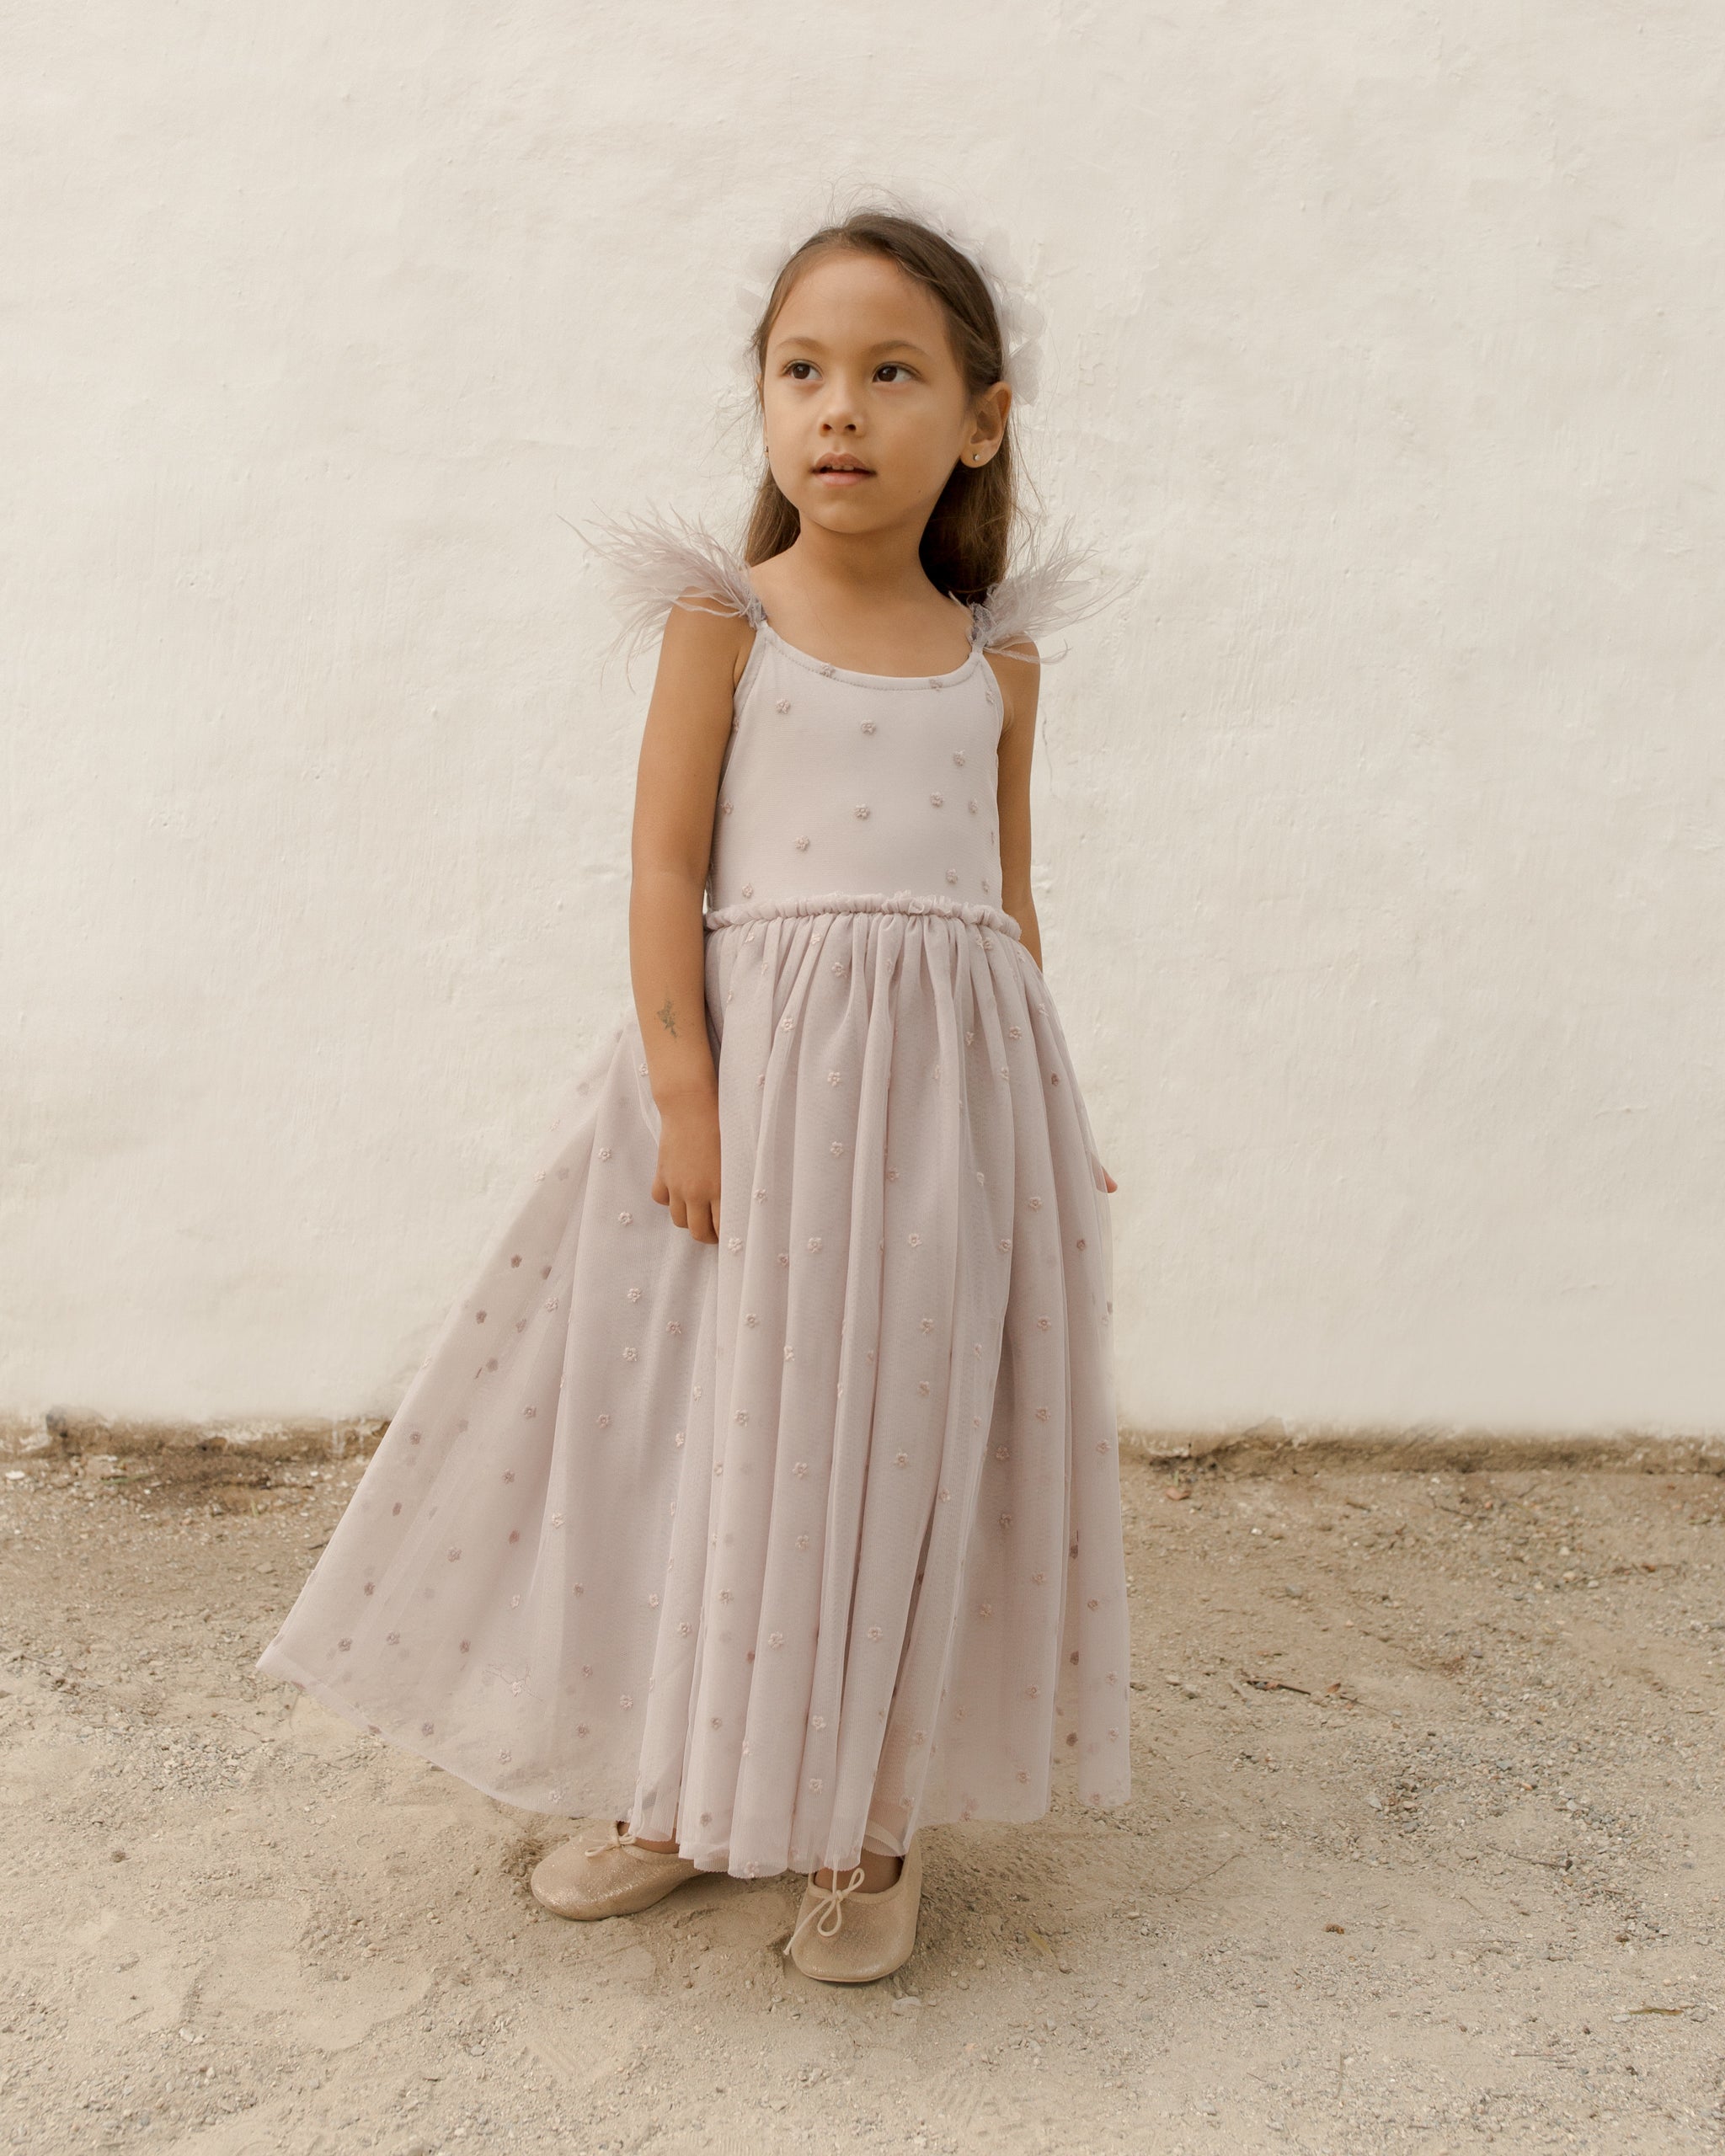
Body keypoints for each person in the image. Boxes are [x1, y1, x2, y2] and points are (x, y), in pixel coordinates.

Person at [257, 201, 1131, 1986]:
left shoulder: (997, 659)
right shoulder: (722, 621)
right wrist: (687, 1095)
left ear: (980, 418)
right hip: (756, 1098)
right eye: (801, 370)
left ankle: (866, 1823)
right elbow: (664, 870)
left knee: (894, 1449)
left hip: (946, 1114)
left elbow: (1005, 897)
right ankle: (684, 1786)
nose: (839, 408)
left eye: (892, 373)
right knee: (720, 1440)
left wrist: (1055, 1109)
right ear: (760, 405)